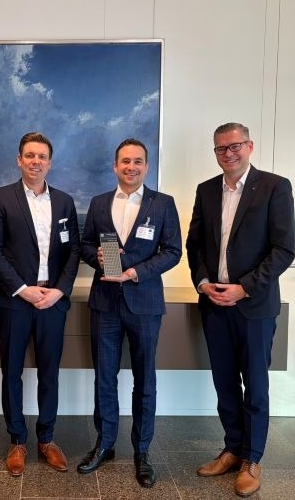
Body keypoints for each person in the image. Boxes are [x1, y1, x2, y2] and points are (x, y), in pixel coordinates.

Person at [186, 122, 295, 497]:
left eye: (235, 146)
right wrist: (203, 282)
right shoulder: (206, 190)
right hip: (214, 304)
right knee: (225, 383)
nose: (228, 153)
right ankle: (232, 449)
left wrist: (244, 288)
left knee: (256, 386)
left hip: (254, 306)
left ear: (249, 146)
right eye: (221, 148)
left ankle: (252, 459)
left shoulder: (275, 187)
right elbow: (194, 246)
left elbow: (284, 249)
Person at [77, 138, 182, 488]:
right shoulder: (98, 203)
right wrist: (101, 259)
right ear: (115, 166)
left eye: (138, 161)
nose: (131, 167)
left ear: (146, 167)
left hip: (145, 303)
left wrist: (134, 271)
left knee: (144, 380)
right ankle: (105, 443)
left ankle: (142, 451)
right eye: (125, 161)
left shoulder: (163, 204)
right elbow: (85, 246)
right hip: (105, 303)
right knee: (104, 378)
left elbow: (172, 251)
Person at [0, 132, 80, 477]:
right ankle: (17, 441)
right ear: (19, 160)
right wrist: (23, 290)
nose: (35, 161)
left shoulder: (65, 202)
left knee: (49, 373)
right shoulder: (1, 198)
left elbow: (73, 252)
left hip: (52, 301)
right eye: (29, 155)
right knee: (12, 372)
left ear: (49, 163)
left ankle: (47, 439)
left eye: (41, 156)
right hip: (14, 301)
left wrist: (59, 291)